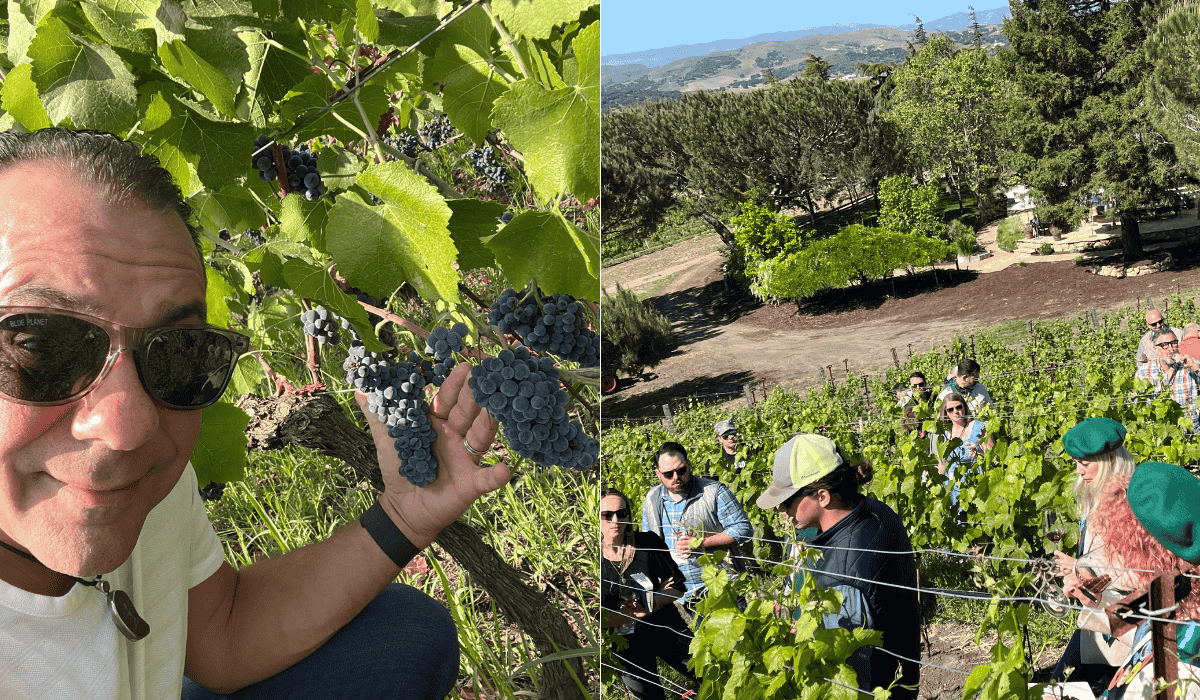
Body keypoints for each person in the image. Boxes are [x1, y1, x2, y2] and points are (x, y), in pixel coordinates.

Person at [0, 128, 511, 699]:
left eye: (180, 352)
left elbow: (223, 633)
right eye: (38, 345)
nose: (126, 427)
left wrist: (404, 516)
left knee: (403, 635)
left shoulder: (143, 475)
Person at [756, 434, 920, 699]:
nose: (782, 510)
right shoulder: (877, 511)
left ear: (822, 496)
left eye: (787, 501)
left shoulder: (840, 578)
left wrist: (802, 631)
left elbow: (846, 669)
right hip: (901, 675)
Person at [1084, 462, 1200, 698]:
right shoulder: (1179, 587)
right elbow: (1125, 616)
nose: (1113, 555)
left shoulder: (1181, 661)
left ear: (1148, 553)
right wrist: (1095, 601)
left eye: (1121, 548)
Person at [1048, 418, 1140, 686]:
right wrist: (1081, 572)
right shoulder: (1096, 498)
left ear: (1111, 458)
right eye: (1076, 463)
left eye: (1086, 464)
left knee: (1060, 688)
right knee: (1056, 688)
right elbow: (1102, 558)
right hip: (1097, 619)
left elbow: (1141, 574)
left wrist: (1083, 570)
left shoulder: (1130, 505)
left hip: (1127, 622)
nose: (1079, 472)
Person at [600, 487, 697, 700]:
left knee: (707, 671)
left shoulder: (647, 543)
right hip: (627, 646)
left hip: (666, 627)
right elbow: (600, 618)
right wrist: (635, 612)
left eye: (621, 513)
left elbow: (678, 585)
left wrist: (647, 603)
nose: (615, 519)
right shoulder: (595, 563)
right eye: (607, 515)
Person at [641, 442, 754, 592]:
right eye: (668, 474)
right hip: (678, 592)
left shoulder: (714, 492)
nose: (676, 477)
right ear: (658, 473)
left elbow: (743, 528)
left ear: (688, 464)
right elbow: (648, 543)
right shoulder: (652, 499)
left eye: (681, 470)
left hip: (721, 585)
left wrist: (702, 543)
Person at [934, 392, 994, 508]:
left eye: (959, 407)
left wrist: (979, 455)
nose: (955, 411)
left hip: (975, 485)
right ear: (946, 413)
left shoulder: (979, 427)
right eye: (950, 409)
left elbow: (993, 458)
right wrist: (938, 491)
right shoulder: (945, 436)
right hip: (952, 490)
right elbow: (941, 465)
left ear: (964, 407)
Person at [1135, 327, 1200, 430]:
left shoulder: (1189, 366)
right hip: (1158, 435)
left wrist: (1194, 366)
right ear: (1155, 349)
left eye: (1173, 343)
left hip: (1191, 434)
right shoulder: (1144, 372)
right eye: (1164, 345)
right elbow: (1135, 404)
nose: (1171, 349)